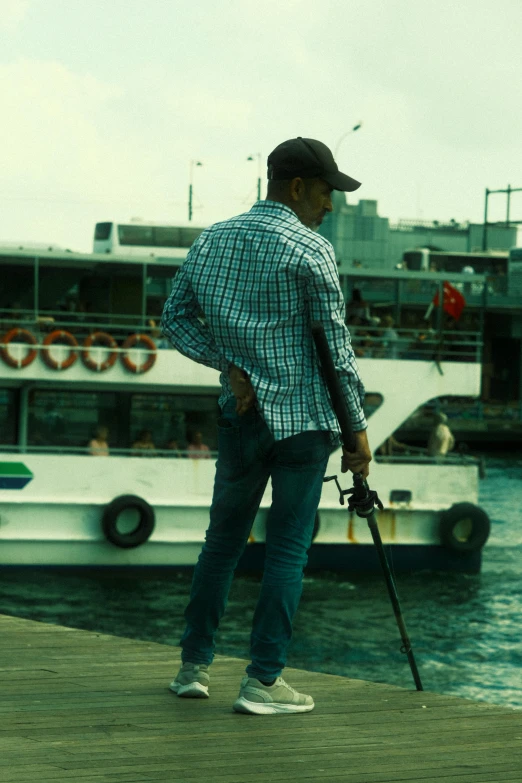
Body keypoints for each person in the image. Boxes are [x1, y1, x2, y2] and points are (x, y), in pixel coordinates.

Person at [161, 136, 372, 716]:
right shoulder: (311, 250)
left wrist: (228, 366)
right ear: (299, 186)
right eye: (327, 192)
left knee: (220, 544)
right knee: (287, 553)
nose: (330, 206)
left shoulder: (212, 240)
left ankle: (192, 668)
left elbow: (173, 319)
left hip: (240, 416)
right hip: (303, 423)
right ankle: (263, 682)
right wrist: (357, 431)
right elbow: (336, 349)